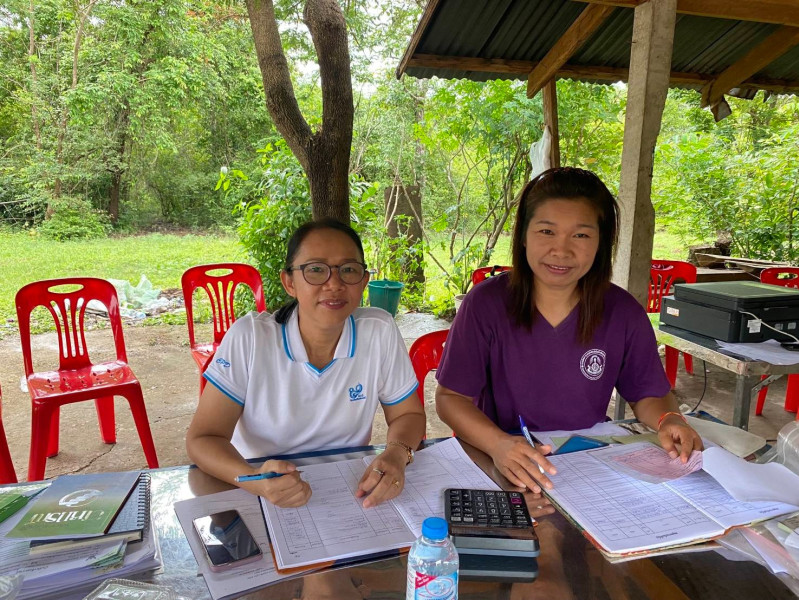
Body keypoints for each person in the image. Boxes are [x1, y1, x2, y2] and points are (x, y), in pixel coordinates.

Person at [435, 167, 702, 494]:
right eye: (546, 231)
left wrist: (668, 419)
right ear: (523, 235)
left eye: (581, 235)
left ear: (601, 242)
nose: (561, 250)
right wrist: (498, 444)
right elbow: (450, 398)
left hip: (586, 463)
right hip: (502, 459)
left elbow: (647, 393)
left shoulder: (622, 312)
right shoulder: (486, 303)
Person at [187, 218, 425, 509]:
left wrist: (397, 453)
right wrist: (254, 480)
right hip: (259, 489)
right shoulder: (251, 337)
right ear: (289, 282)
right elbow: (203, 438)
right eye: (315, 270)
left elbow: (408, 414)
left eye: (348, 270)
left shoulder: (379, 330)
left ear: (364, 281)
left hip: (350, 491)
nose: (334, 284)